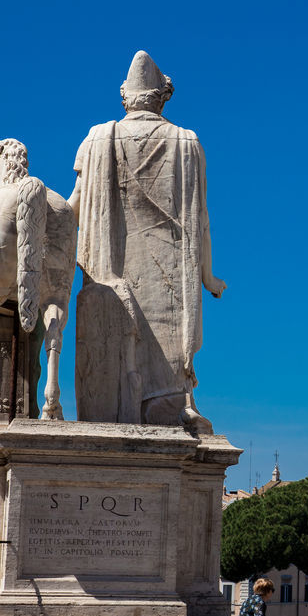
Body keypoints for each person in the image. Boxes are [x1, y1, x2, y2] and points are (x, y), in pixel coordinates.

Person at [68, 50, 226, 433]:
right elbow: (201, 219)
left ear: (125, 96)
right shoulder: (188, 143)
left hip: (111, 267)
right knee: (169, 373)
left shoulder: (97, 139)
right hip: (170, 275)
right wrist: (208, 275)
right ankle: (173, 401)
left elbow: (73, 206)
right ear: (163, 96)